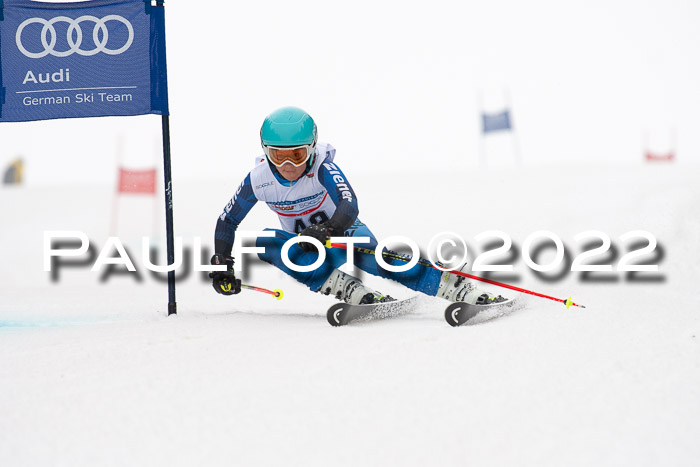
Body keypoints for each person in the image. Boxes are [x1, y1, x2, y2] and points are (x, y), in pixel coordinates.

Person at [210, 106, 506, 306]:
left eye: (297, 155)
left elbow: (349, 204)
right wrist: (223, 263)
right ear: (265, 152)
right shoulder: (258, 179)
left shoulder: (322, 167)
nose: (288, 166)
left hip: (342, 232)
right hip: (307, 248)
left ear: (312, 147)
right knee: (265, 242)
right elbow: (228, 221)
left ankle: (456, 288)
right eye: (278, 156)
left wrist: (327, 229)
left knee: (378, 261)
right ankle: (350, 290)